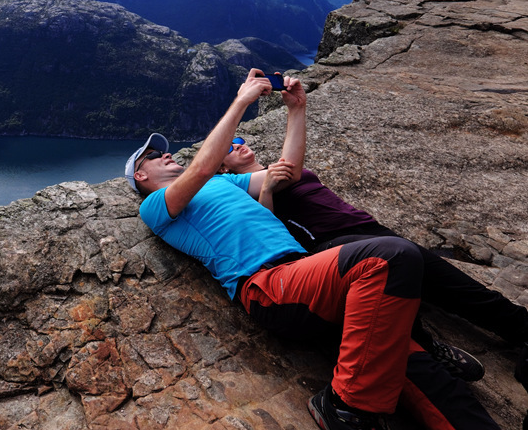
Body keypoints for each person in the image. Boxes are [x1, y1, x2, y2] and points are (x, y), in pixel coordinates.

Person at [125, 69, 500, 430]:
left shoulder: (226, 184)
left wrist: (297, 108)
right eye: (154, 157)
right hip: (270, 286)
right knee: (392, 256)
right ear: (141, 176)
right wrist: (240, 102)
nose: (166, 155)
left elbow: (288, 171)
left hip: (311, 278)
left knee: (423, 373)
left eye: (164, 151)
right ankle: (345, 406)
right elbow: (202, 168)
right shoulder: (156, 206)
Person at [219, 134, 528, 393]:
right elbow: (266, 227)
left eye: (238, 140)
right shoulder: (238, 190)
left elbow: (298, 169)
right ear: (222, 168)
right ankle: (428, 350)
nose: (237, 145)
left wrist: (297, 106)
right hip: (334, 244)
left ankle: (520, 327)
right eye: (228, 148)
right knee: (396, 290)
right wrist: (269, 189)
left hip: (369, 229)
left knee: (450, 282)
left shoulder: (278, 166)